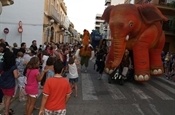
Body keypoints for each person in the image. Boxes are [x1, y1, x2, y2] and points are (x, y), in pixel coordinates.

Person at [0, 45, 19, 115]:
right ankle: (6, 112)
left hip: (2, 83)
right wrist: (18, 74)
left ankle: (6, 109)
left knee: (5, 97)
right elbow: (16, 76)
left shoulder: (1, 64)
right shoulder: (13, 66)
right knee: (8, 98)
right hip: (10, 84)